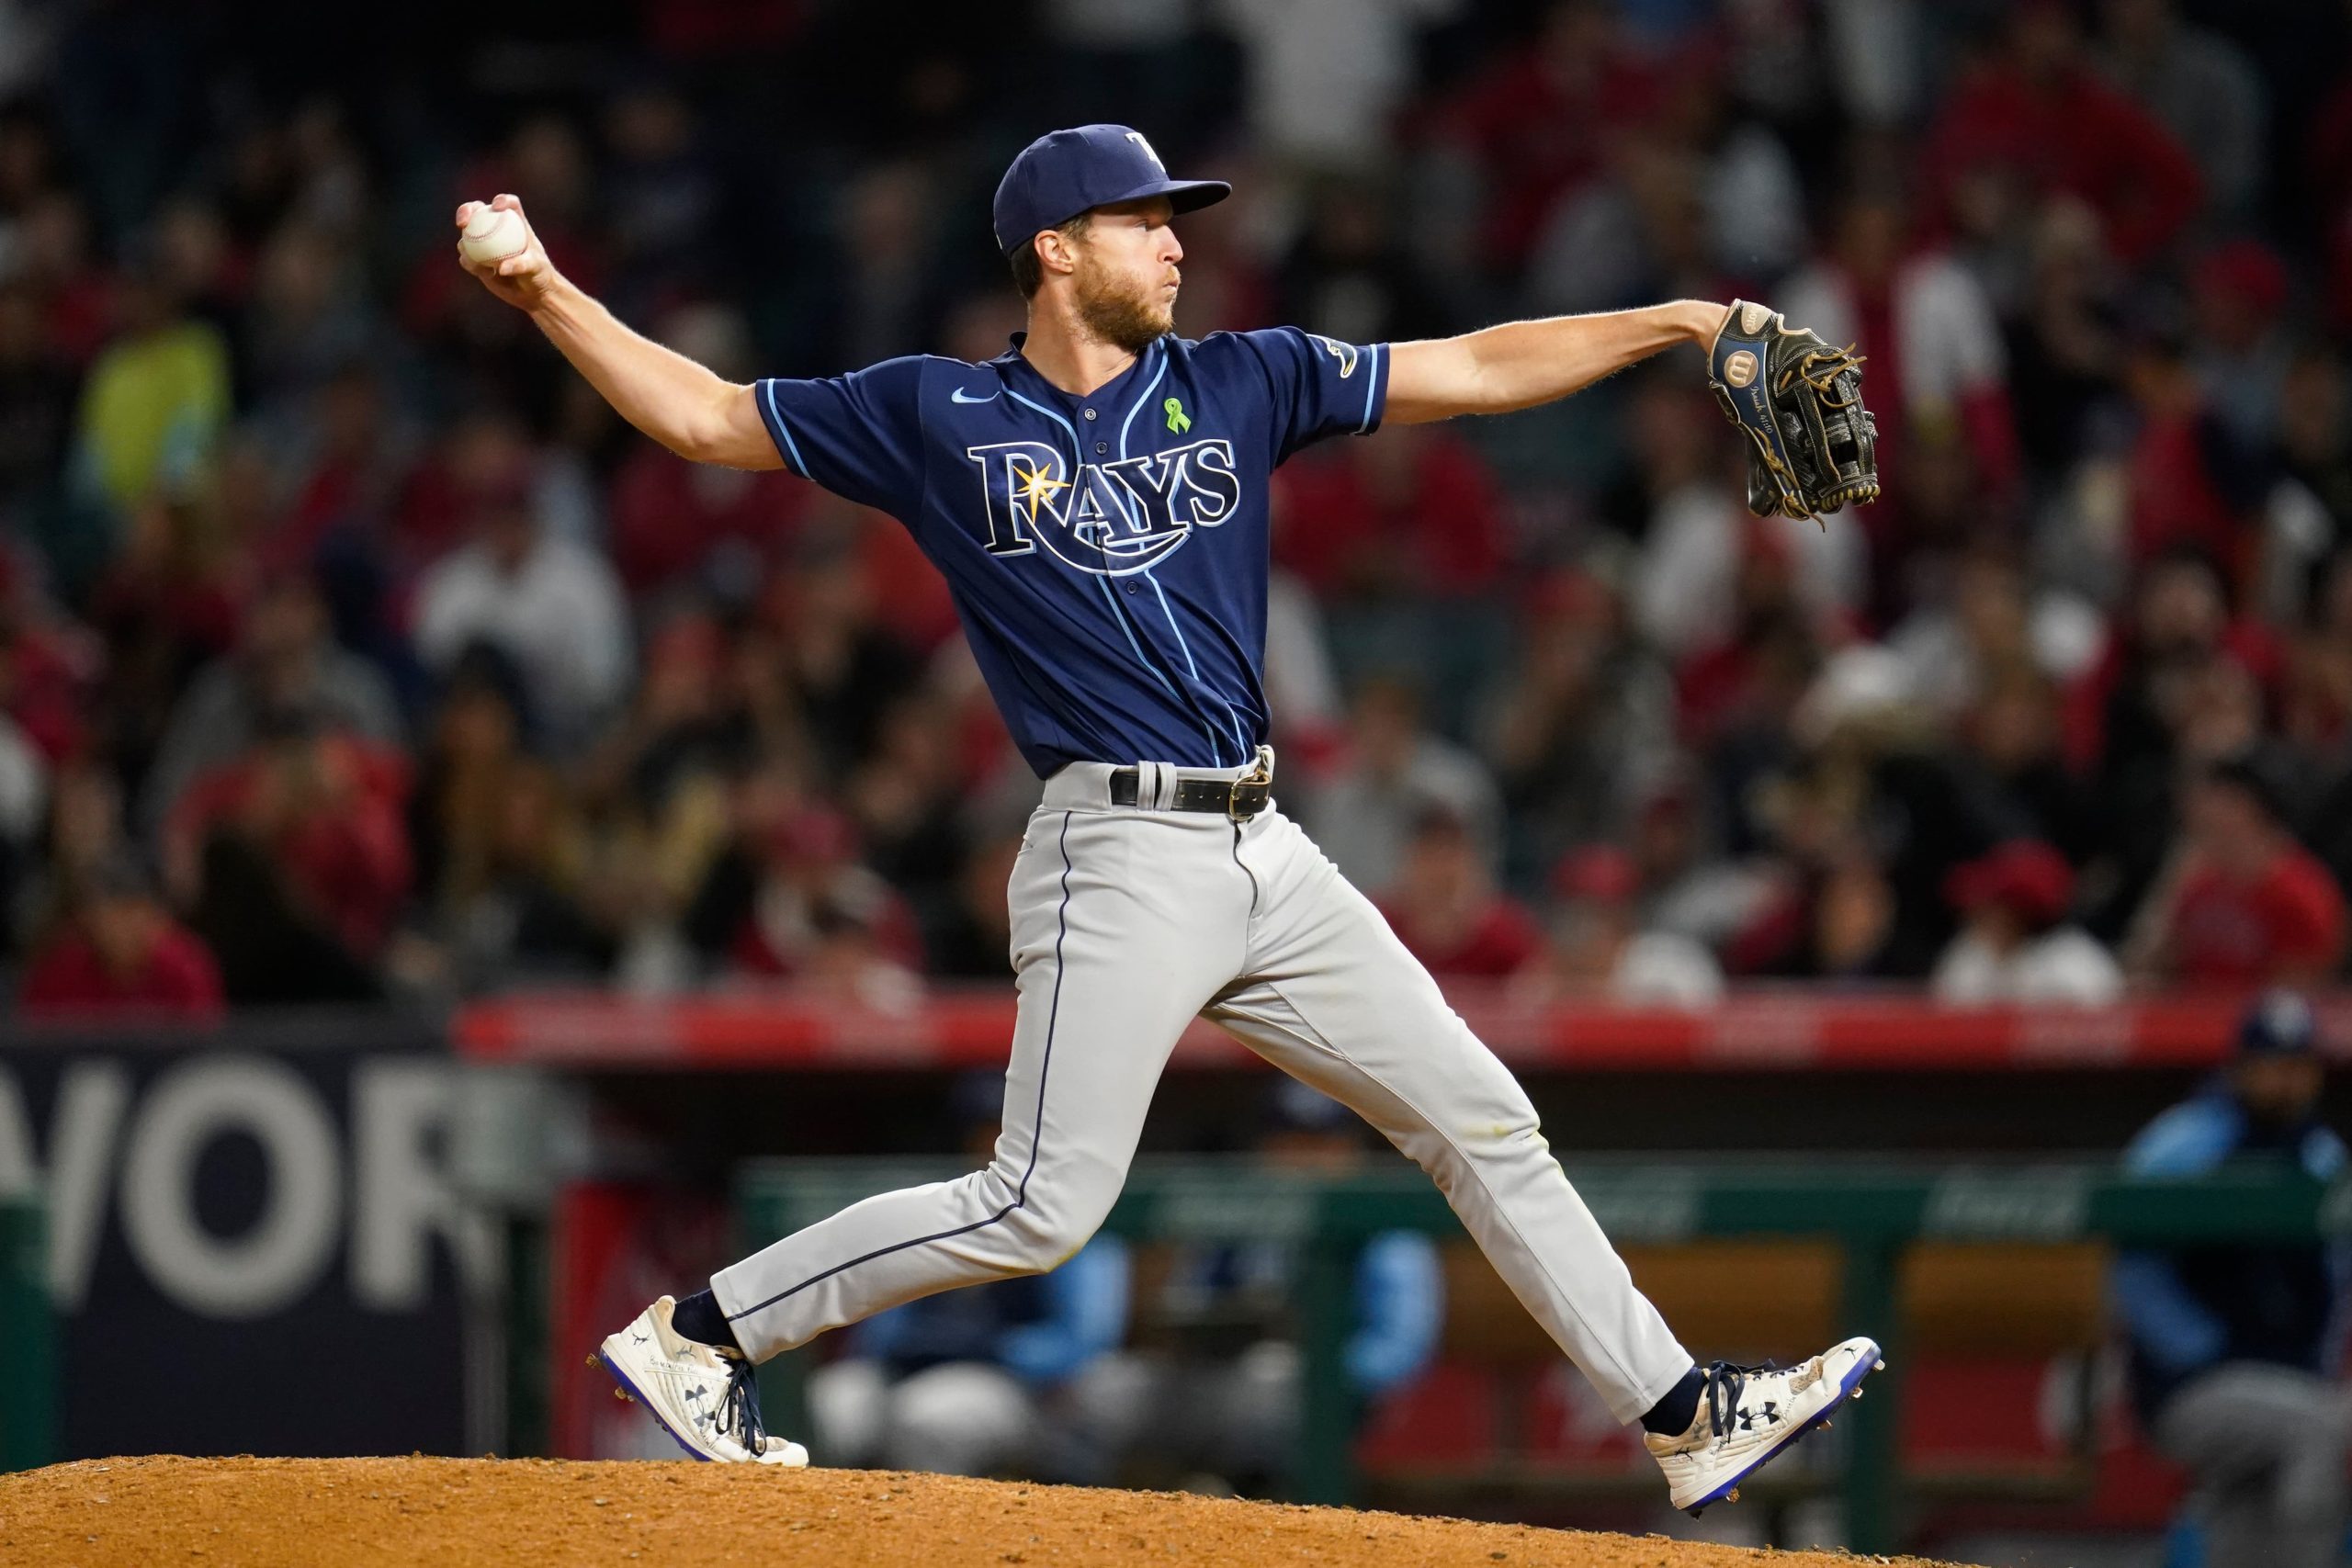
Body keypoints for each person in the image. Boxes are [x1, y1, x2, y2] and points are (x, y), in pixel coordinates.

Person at [458, 123, 1879, 1511]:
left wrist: (1683, 321)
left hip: (1269, 842)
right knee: (1040, 1205)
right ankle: (703, 1334)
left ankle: (1688, 1413)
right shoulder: (938, 411)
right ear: (1058, 250)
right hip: (1114, 848)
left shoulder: (1246, 377)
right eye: (1146, 220)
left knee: (1484, 1118)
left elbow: (1481, 366)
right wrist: (543, 292)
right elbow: (705, 415)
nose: (1178, 241)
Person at [1069, 1079, 1442, 1494]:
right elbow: (1185, 1300)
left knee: (1268, 1386)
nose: (1306, 1160)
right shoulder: (1233, 1214)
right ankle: (1082, 1527)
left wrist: (1322, 1366)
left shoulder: (1382, 1229)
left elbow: (1399, 1347)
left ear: (1350, 1150)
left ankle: (1248, 1512)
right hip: (1210, 1374)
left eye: (1321, 1144)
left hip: (1323, 1392)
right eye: (1291, 1143)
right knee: (1103, 1393)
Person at [2117, 992, 2351, 1568]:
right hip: (2193, 1386)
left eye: (2298, 1067)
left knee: (2251, 1512)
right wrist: (2205, 1352)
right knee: (2321, 1429)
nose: (2285, 1082)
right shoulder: (2181, 1146)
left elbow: (2337, 1283)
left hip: (2287, 1380)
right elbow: (2134, 1275)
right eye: (2271, 1065)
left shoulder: (2322, 1159)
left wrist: (2311, 1368)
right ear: (2240, 1068)